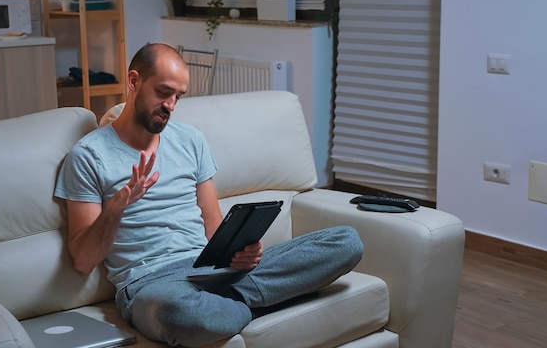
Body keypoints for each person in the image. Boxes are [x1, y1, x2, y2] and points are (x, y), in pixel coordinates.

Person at [54, 43, 364, 347]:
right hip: (152, 286)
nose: (171, 106)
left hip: (212, 271)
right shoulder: (87, 156)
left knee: (345, 241)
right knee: (179, 313)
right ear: (134, 81)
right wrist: (117, 207)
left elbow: (214, 226)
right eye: (163, 93)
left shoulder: (190, 140)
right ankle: (265, 298)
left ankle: (231, 305)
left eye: (178, 97)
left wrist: (241, 252)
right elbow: (83, 260)